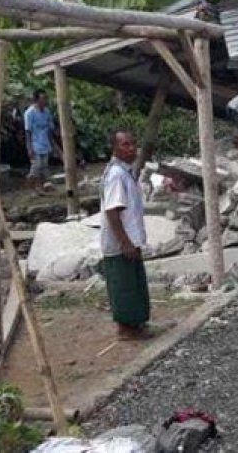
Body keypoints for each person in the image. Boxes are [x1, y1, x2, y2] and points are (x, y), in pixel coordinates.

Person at [99, 129, 152, 340]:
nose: (132, 149)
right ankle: (126, 328)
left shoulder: (125, 172)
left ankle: (136, 325)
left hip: (130, 239)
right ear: (115, 148)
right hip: (120, 243)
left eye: (133, 144)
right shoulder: (116, 176)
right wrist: (125, 242)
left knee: (134, 283)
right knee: (124, 287)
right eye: (125, 145)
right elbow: (112, 211)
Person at [24, 89, 56, 191]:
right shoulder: (29, 113)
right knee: (36, 167)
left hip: (45, 143)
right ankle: (33, 187)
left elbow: (50, 129)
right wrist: (29, 147)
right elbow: (28, 131)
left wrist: (52, 145)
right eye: (43, 98)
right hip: (35, 143)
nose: (45, 101)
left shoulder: (47, 112)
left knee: (44, 166)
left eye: (46, 98)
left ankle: (41, 187)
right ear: (37, 100)